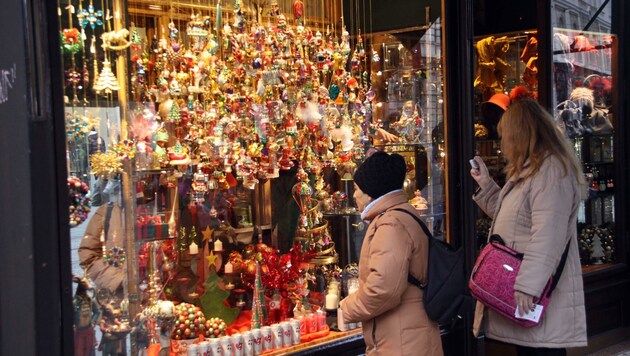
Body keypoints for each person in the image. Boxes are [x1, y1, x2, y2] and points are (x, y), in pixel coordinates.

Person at [470, 98, 587, 355]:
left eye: (506, 137)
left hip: (540, 290)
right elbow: (515, 221)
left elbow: (548, 235)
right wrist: (487, 185)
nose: (503, 145)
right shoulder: (535, 168)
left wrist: (528, 285)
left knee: (541, 351)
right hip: (532, 285)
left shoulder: (551, 171)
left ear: (520, 135)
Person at [339, 150, 443, 356]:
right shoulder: (400, 215)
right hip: (407, 336)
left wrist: (346, 308)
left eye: (358, 188)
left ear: (371, 192)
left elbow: (383, 289)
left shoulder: (391, 224)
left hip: (402, 342)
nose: (354, 195)